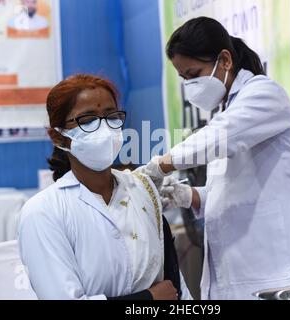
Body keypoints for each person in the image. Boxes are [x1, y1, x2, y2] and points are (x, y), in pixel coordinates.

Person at [140, 17, 290, 300]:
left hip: (277, 272)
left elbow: (217, 138)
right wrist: (188, 196)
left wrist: (160, 164)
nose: (190, 85)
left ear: (225, 60)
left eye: (194, 73)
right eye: (183, 78)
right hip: (237, 276)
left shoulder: (264, 94)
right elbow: (232, 192)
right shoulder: (227, 109)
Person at [18, 74, 191, 300]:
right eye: (87, 120)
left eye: (112, 116)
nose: (104, 128)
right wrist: (148, 300)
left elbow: (174, 285)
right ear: (58, 137)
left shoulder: (142, 190)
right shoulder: (43, 212)